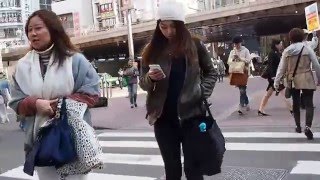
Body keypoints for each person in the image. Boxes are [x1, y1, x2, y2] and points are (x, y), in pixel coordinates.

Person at [8, 10, 100, 179]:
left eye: (38, 28)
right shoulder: (21, 66)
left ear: (53, 29)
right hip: (41, 140)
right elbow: (16, 102)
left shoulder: (75, 60)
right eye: (29, 30)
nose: (33, 33)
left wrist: (59, 106)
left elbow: (92, 93)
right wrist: (35, 104)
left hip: (73, 138)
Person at [139, 1, 217, 180]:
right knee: (172, 171)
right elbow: (143, 84)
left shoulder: (194, 45)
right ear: (158, 25)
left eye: (173, 27)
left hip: (192, 116)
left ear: (181, 26)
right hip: (164, 119)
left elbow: (210, 72)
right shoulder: (151, 50)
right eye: (163, 27)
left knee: (193, 170)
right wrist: (150, 78)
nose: (168, 31)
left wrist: (201, 92)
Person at [274, 28, 320, 140]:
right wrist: (319, 78)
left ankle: (298, 126)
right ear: (302, 37)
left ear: (291, 38)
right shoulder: (308, 49)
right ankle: (308, 126)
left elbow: (281, 68)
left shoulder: (287, 51)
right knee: (309, 103)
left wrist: (277, 82)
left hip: (293, 79)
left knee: (296, 103)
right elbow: (316, 65)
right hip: (307, 77)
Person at [258, 40, 292, 116]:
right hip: (274, 77)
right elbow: (271, 66)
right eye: (280, 44)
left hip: (276, 76)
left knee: (268, 94)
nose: (281, 45)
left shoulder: (277, 53)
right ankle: (292, 109)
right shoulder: (272, 53)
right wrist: (273, 76)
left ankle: (261, 109)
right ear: (276, 45)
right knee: (283, 92)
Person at [228, 36, 251, 115]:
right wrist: (233, 59)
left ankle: (241, 106)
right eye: (235, 44)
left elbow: (248, 60)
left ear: (241, 43)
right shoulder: (232, 52)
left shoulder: (246, 50)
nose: (237, 45)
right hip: (235, 72)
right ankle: (247, 103)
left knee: (242, 89)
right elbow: (229, 61)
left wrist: (240, 58)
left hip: (244, 72)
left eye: (238, 44)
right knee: (242, 89)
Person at [301, 29, 318, 109]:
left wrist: (314, 36)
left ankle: (303, 104)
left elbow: (314, 44)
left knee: (303, 87)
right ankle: (306, 104)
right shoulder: (307, 45)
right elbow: (314, 44)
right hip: (305, 70)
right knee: (307, 87)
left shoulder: (306, 44)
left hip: (299, 70)